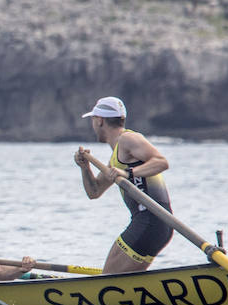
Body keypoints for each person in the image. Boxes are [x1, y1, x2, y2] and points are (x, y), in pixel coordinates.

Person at [73, 96, 173, 274]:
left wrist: (128, 173)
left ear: (99, 120)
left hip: (150, 222)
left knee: (106, 281)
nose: (93, 125)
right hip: (154, 223)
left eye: (93, 120)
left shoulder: (128, 139)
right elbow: (94, 191)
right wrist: (84, 167)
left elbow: (161, 162)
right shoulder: (116, 158)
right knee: (116, 279)